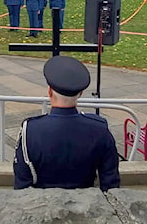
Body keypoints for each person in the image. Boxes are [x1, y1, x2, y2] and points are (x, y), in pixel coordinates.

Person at [13, 56, 120, 191]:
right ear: (80, 93)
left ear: (49, 91)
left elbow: (22, 182)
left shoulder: (30, 130)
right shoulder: (99, 129)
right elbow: (111, 183)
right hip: (87, 204)